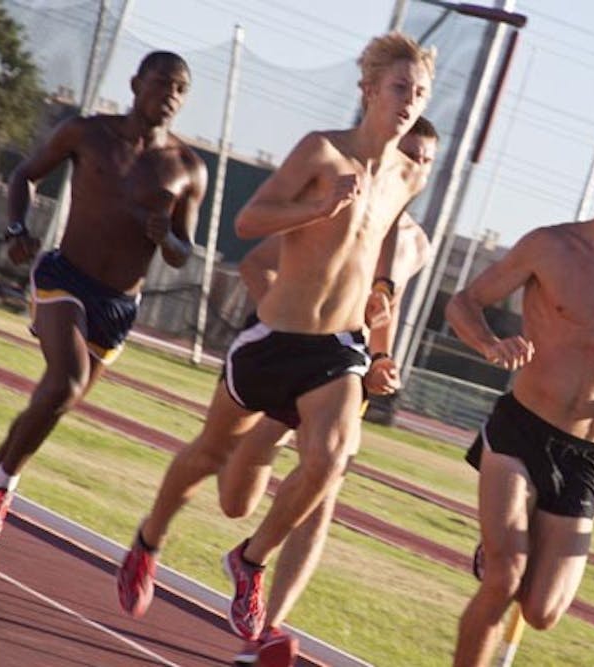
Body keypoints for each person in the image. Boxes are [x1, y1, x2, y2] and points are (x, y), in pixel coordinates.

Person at [115, 32, 435, 665]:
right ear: (369, 89)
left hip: (337, 350)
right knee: (211, 452)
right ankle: (149, 540)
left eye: (421, 92)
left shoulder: (408, 175)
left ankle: (250, 560)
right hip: (272, 341)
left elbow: (380, 274)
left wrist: (380, 348)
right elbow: (247, 224)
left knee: (333, 456)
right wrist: (315, 206)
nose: (409, 101)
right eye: (400, 88)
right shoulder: (320, 150)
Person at [0, 51, 206, 556]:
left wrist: (166, 239)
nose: (170, 96)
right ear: (135, 83)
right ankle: (1, 489)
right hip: (63, 279)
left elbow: (181, 251)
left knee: (51, 402)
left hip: (119, 306)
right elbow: (24, 175)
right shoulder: (87, 133)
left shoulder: (187, 168)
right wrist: (18, 227)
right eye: (161, 84)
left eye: (180, 89)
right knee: (63, 383)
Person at [444, 139, 594, 666]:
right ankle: (503, 552)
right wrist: (490, 344)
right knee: (505, 578)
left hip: (585, 455)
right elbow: (464, 302)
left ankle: (507, 545)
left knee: (543, 611)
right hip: (521, 429)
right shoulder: (549, 246)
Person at [223, 118, 436, 665]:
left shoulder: (415, 244)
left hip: (348, 370)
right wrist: (288, 321)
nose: (415, 164)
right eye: (409, 150)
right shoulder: (342, 199)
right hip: (296, 353)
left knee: (324, 490)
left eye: (427, 159)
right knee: (236, 497)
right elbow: (255, 262)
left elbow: (385, 311)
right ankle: (244, 547)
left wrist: (382, 359)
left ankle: (267, 630)